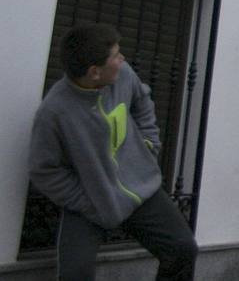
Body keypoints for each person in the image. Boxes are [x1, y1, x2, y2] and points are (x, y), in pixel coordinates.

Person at [29, 23, 199, 280]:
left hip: (140, 189)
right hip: (91, 201)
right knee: (76, 274)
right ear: (94, 72)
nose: (122, 59)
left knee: (182, 249)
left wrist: (149, 144)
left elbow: (142, 102)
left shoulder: (123, 75)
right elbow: (44, 171)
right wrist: (84, 199)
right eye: (116, 56)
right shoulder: (54, 112)